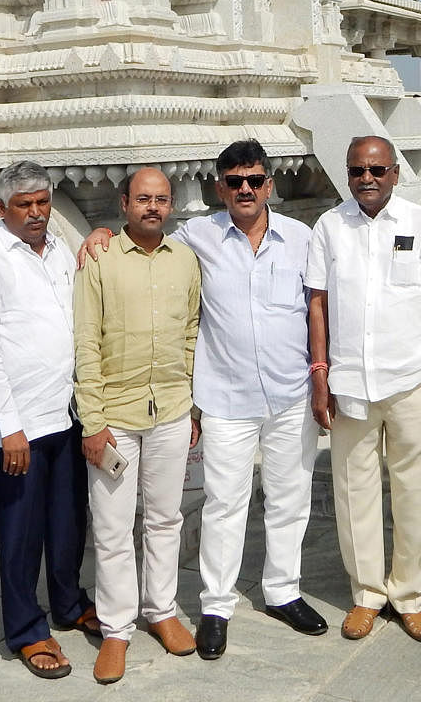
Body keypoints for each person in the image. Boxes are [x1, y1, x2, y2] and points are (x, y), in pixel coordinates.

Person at [83, 139, 325, 658]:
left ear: (270, 185)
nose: (245, 189)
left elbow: (320, 310)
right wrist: (98, 231)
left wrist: (323, 377)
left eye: (254, 180)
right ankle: (216, 605)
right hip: (226, 396)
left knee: (289, 499)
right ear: (219, 188)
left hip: (288, 393)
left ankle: (283, 591)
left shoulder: (302, 239)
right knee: (224, 504)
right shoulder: (198, 236)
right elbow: (142, 234)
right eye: (234, 181)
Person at [0, 161, 97, 679]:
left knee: (67, 521)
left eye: (43, 202)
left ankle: (68, 602)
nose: (37, 213)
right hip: (19, 422)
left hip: (67, 411)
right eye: (25, 205)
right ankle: (24, 628)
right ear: (2, 209)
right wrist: (7, 423)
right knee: (20, 531)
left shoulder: (59, 250)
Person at [306, 136, 421, 642]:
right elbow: (317, 303)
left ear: (395, 173)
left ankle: (408, 593)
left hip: (411, 380)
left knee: (415, 490)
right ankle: (367, 594)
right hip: (349, 382)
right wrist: (320, 372)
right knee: (354, 491)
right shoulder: (329, 226)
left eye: (377, 170)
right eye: (357, 171)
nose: (367, 179)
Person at [74, 168, 201, 684]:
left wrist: (192, 404)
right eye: (142, 199)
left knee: (166, 518)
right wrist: (91, 421)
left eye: (161, 199)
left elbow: (192, 330)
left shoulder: (185, 259)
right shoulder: (99, 258)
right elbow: (85, 341)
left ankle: (162, 609)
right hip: (114, 416)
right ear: (123, 203)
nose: (153, 207)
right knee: (111, 528)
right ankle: (117, 629)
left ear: (170, 205)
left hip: (171, 408)